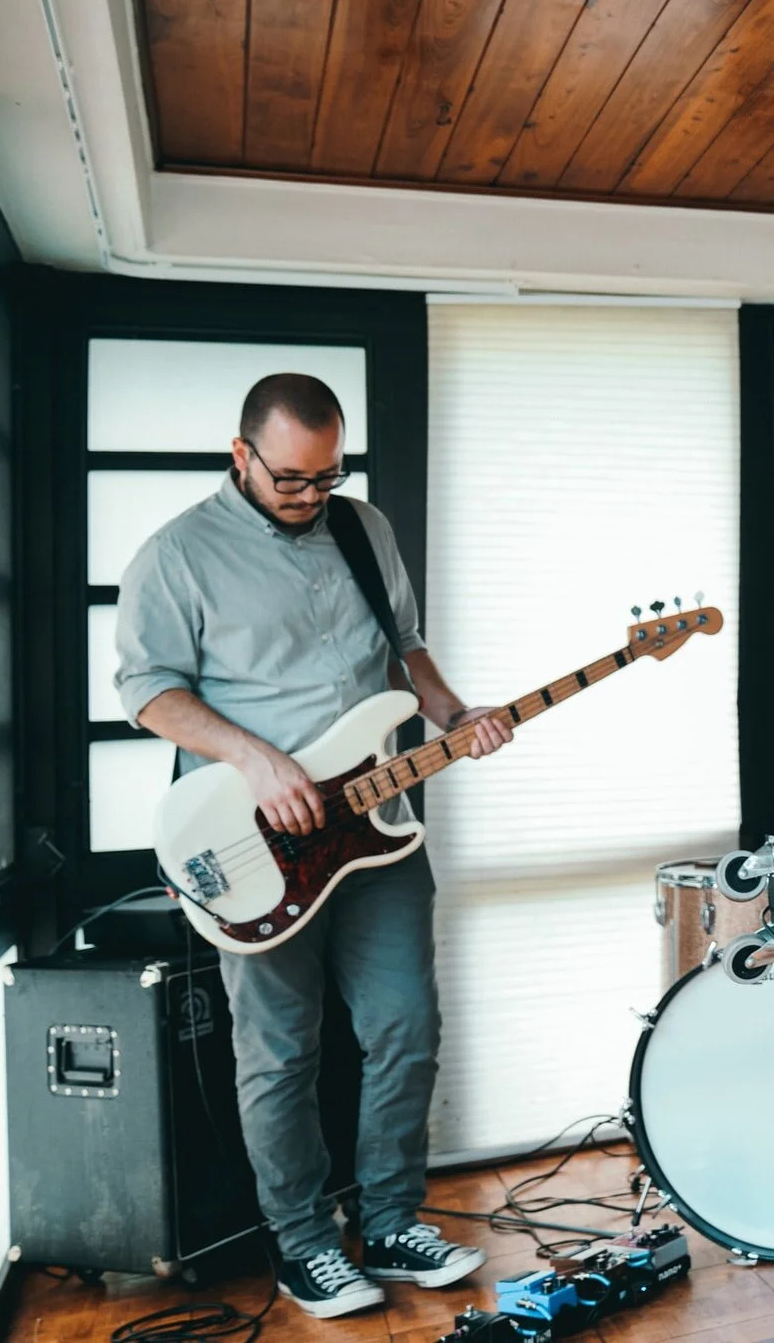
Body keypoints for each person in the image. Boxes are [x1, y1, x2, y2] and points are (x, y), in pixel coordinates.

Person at [115, 375, 506, 1320]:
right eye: (291, 478)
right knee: (281, 1052)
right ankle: (304, 1245)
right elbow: (147, 691)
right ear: (241, 454)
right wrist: (255, 761)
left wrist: (456, 714)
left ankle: (394, 1222)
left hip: (376, 832)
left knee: (406, 1028)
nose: (310, 495)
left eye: (328, 476)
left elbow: (405, 647)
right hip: (258, 846)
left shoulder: (364, 529)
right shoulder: (175, 555)